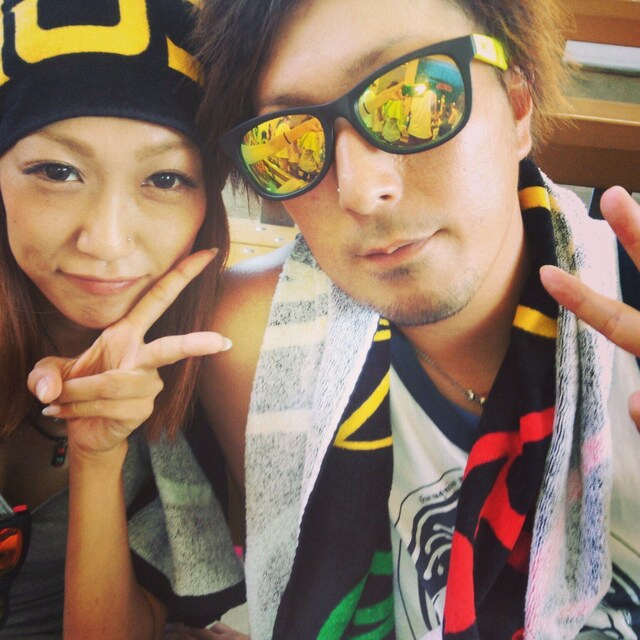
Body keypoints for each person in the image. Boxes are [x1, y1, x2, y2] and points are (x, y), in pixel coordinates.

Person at [191, 0, 640, 638]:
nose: (360, 190)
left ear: (517, 106)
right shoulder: (254, 350)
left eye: (415, 98)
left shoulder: (627, 309)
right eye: (289, 142)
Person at [0, 0, 244, 638]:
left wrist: (98, 454)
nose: (106, 242)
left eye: (165, 178)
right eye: (58, 171)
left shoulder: (210, 371)